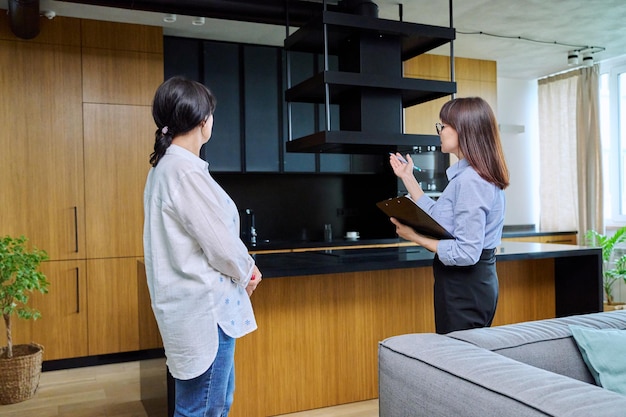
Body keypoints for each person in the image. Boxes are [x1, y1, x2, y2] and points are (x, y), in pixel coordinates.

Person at [143, 76, 262, 417]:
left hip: (191, 309)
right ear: (201, 120)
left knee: (210, 404)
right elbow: (221, 245)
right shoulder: (184, 171)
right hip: (206, 312)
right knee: (203, 409)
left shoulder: (167, 169)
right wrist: (247, 271)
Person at [389, 96, 509, 335]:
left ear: (464, 130)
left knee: (459, 364)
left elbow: (466, 252)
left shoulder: (471, 181)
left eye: (443, 126)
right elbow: (439, 218)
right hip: (463, 286)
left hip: (466, 288)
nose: (440, 132)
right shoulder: (467, 177)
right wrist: (408, 177)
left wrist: (415, 237)